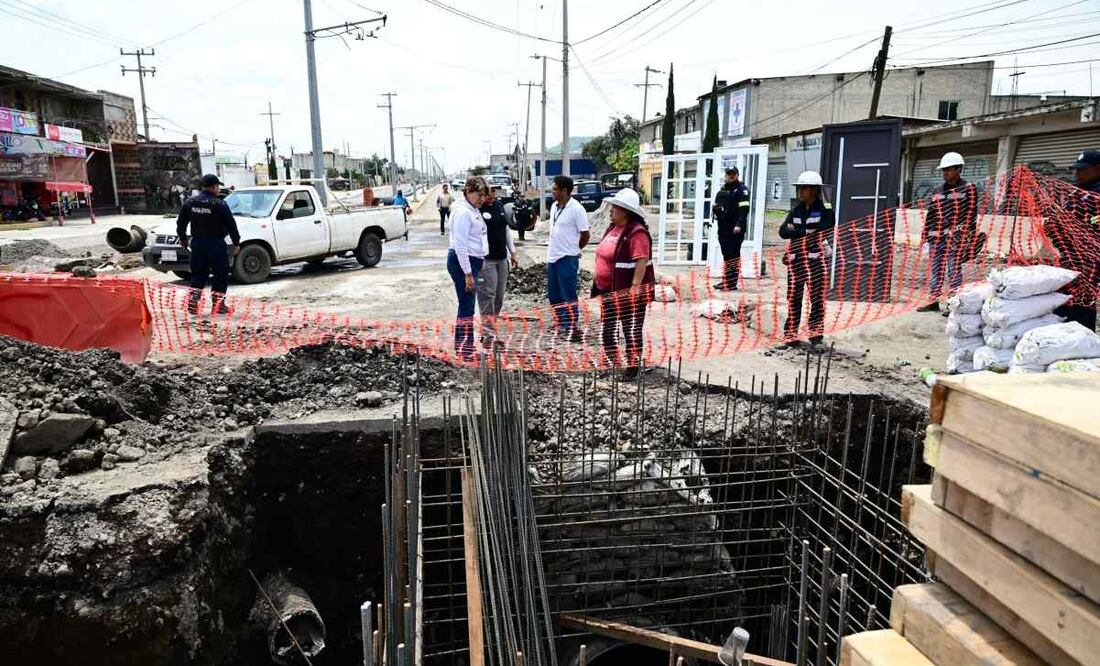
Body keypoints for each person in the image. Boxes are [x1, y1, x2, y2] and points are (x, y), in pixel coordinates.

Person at [591, 188, 655, 379]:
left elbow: (641, 259)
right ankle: (612, 362)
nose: (611, 210)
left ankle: (632, 369)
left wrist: (635, 287)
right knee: (608, 329)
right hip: (608, 290)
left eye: (615, 207)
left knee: (630, 329)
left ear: (626, 211)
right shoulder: (613, 228)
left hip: (627, 292)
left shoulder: (637, 232)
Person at [779, 171, 835, 347]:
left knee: (816, 301)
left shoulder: (825, 211)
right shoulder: (796, 209)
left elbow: (822, 232)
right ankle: (790, 336)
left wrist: (795, 230)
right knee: (793, 300)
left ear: (814, 190)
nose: (800, 192)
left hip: (815, 262)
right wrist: (805, 231)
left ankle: (816, 338)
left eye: (804, 188)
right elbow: (783, 232)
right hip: (796, 262)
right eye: (799, 188)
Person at [918, 152, 980, 312]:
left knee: (953, 271)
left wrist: (967, 237)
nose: (945, 173)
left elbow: (971, 214)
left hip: (955, 239)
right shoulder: (937, 190)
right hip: (936, 238)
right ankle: (933, 301)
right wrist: (925, 238)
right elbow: (931, 214)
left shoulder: (969, 188)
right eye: (943, 170)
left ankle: (953, 305)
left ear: (959, 169)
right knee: (936, 270)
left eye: (948, 169)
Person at [1050, 149, 1100, 330]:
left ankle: (1083, 337)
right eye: (1076, 169)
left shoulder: (1096, 195)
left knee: (1083, 301)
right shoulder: (1075, 192)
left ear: (1098, 168)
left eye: (1083, 169)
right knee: (1063, 297)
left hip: (1089, 261)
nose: (1078, 173)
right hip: (1068, 255)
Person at [177, 174, 240, 316]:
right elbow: (231, 225)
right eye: (218, 186)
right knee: (220, 273)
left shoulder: (190, 202)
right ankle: (218, 305)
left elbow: (181, 223)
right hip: (216, 243)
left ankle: (193, 300)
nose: (219, 189)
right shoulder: (220, 204)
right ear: (214, 187)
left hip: (198, 244)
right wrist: (236, 242)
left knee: (198, 273)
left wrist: (183, 238)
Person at [447, 176, 489, 359]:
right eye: (479, 195)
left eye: (484, 195)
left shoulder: (472, 209)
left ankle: (463, 347)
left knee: (467, 305)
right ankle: (466, 350)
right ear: (468, 192)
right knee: (467, 306)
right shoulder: (463, 213)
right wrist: (468, 273)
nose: (482, 199)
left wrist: (480, 262)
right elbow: (460, 245)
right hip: (463, 261)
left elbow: (478, 238)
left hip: (471, 261)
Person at [547, 175, 591, 340]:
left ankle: (571, 326)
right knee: (554, 294)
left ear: (564, 191)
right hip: (552, 257)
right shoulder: (554, 207)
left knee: (568, 293)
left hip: (567, 258)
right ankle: (560, 323)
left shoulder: (577, 209)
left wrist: (574, 249)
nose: (552, 191)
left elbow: (585, 234)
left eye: (555, 189)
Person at [477, 184, 519, 346]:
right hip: (486, 260)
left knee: (499, 297)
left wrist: (512, 252)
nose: (492, 195)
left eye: (494, 191)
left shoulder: (499, 206)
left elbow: (506, 230)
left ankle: (490, 329)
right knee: (488, 296)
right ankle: (488, 334)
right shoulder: (477, 210)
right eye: (489, 192)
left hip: (502, 259)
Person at [712, 167, 750, 291]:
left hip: (735, 229)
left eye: (733, 174)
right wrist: (716, 210)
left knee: (733, 255)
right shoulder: (723, 190)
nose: (731, 176)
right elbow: (719, 209)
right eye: (729, 174)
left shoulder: (742, 190)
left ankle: (732, 283)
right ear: (726, 176)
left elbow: (744, 210)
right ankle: (726, 280)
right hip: (724, 228)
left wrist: (739, 225)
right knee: (726, 255)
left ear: (737, 175)